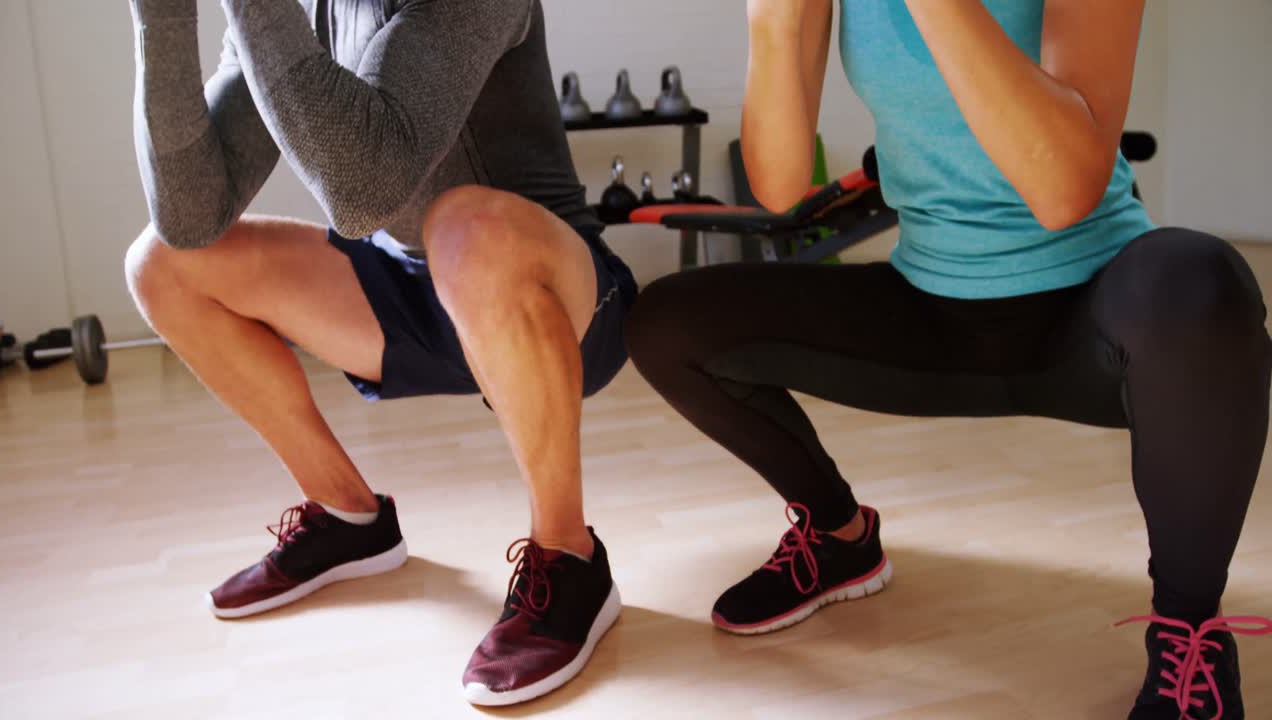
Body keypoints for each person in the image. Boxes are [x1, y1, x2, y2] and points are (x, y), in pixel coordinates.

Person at [624, 1, 1271, 717]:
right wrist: (774, 21)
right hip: (928, 308)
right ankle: (840, 539)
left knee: (1201, 285)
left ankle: (1189, 633)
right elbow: (779, 187)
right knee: (668, 323)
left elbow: (1064, 190)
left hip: (1090, 320)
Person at [123, 0, 634, 706]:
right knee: (162, 265)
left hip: (558, 305)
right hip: (412, 295)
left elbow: (361, 189)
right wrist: (161, 17)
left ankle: (568, 556)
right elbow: (188, 215)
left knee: (462, 226)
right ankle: (346, 517)